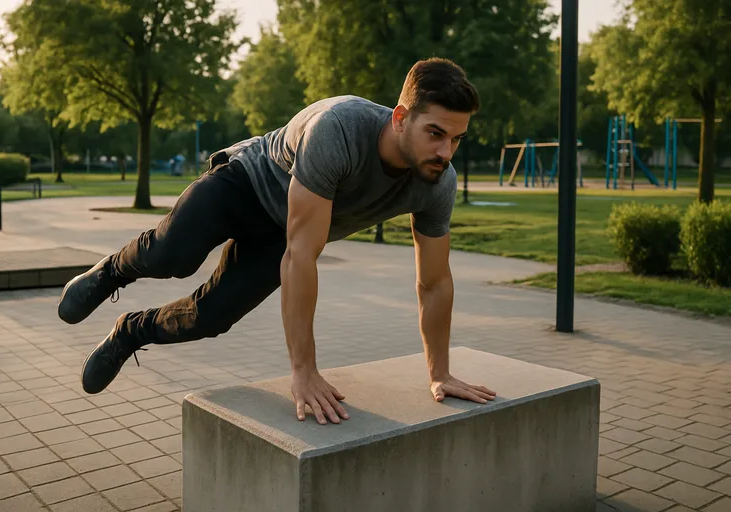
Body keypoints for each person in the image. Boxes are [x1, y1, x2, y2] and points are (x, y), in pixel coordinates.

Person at [57, 57, 497, 425]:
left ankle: (128, 333)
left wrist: (439, 372)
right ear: (401, 118)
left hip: (278, 231)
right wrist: (303, 372)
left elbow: (434, 282)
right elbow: (301, 256)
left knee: (210, 318)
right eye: (435, 134)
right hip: (244, 185)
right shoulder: (338, 129)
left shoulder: (438, 184)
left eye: (456, 139)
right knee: (173, 255)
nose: (446, 152)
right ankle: (110, 272)